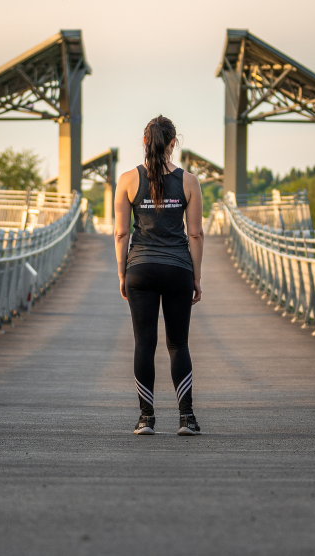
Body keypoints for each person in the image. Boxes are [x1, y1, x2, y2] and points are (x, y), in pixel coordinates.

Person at [114, 115, 204, 436]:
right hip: (178, 267)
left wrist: (123, 273)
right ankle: (187, 418)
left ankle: (145, 419)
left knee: (144, 343)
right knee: (178, 344)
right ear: (173, 143)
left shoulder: (127, 180)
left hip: (140, 268)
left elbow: (121, 233)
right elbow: (195, 235)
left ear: (143, 142)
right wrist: (195, 276)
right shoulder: (189, 182)